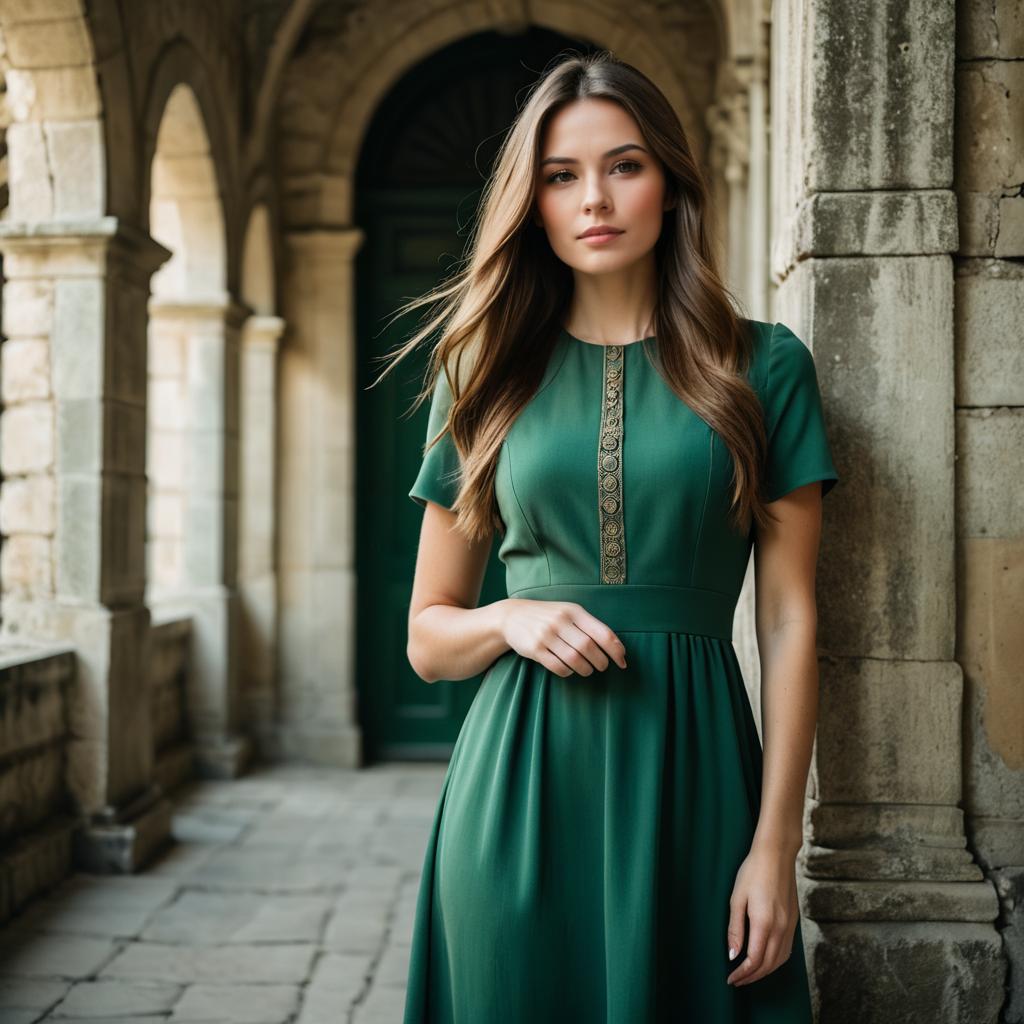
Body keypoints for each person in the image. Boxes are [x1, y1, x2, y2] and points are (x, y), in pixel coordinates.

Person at [383, 48, 838, 1024]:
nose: (594, 196)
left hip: (698, 790)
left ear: (672, 184)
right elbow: (426, 638)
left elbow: (792, 618)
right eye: (560, 174)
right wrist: (508, 619)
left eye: (623, 165)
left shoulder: (766, 367)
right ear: (532, 200)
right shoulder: (481, 375)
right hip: (516, 797)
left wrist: (774, 848)